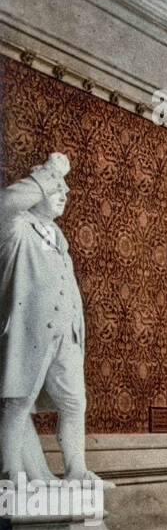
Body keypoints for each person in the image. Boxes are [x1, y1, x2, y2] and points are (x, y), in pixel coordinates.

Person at [1, 152, 99, 482]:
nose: (64, 195)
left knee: (74, 404)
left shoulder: (58, 236)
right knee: (17, 401)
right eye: (57, 190)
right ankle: (11, 471)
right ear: (39, 191)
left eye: (64, 191)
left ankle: (77, 470)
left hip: (65, 336)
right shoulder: (15, 227)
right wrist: (51, 172)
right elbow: (8, 202)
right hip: (29, 333)